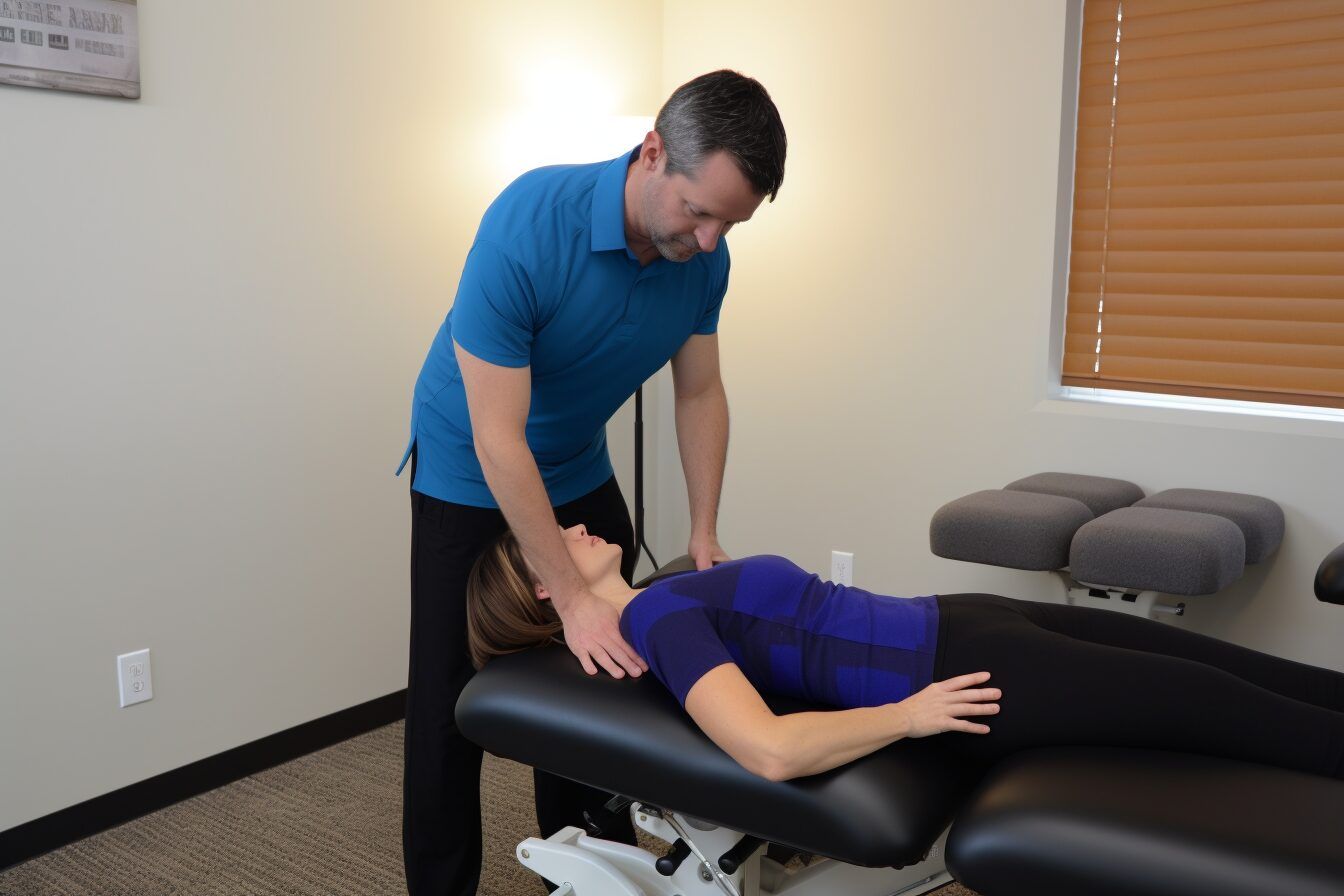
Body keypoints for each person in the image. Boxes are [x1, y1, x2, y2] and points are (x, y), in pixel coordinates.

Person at [396, 70, 787, 895]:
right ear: (653, 153)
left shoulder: (702, 261)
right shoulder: (529, 224)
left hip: (576, 464)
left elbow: (700, 390)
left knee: (607, 671)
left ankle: (586, 873)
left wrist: (703, 531)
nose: (712, 239)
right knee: (447, 704)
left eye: (732, 221)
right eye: (700, 211)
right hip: (469, 469)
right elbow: (498, 437)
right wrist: (566, 595)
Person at [465, 524, 1344, 782]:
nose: (571, 525)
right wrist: (908, 717)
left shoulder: (663, 593)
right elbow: (768, 751)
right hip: (969, 678)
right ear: (543, 587)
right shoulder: (655, 625)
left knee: (1261, 674)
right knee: (1240, 714)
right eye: (549, 539)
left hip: (967, 619)